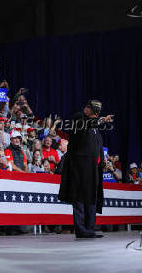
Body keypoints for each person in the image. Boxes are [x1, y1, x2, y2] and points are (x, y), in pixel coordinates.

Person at [58, 100, 113, 238]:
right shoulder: (79, 119)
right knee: (79, 198)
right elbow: (86, 124)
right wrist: (101, 120)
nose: (85, 108)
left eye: (89, 107)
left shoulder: (96, 132)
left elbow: (98, 148)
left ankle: (89, 228)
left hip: (94, 170)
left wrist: (103, 160)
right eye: (87, 106)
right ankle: (81, 229)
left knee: (92, 198)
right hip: (79, 168)